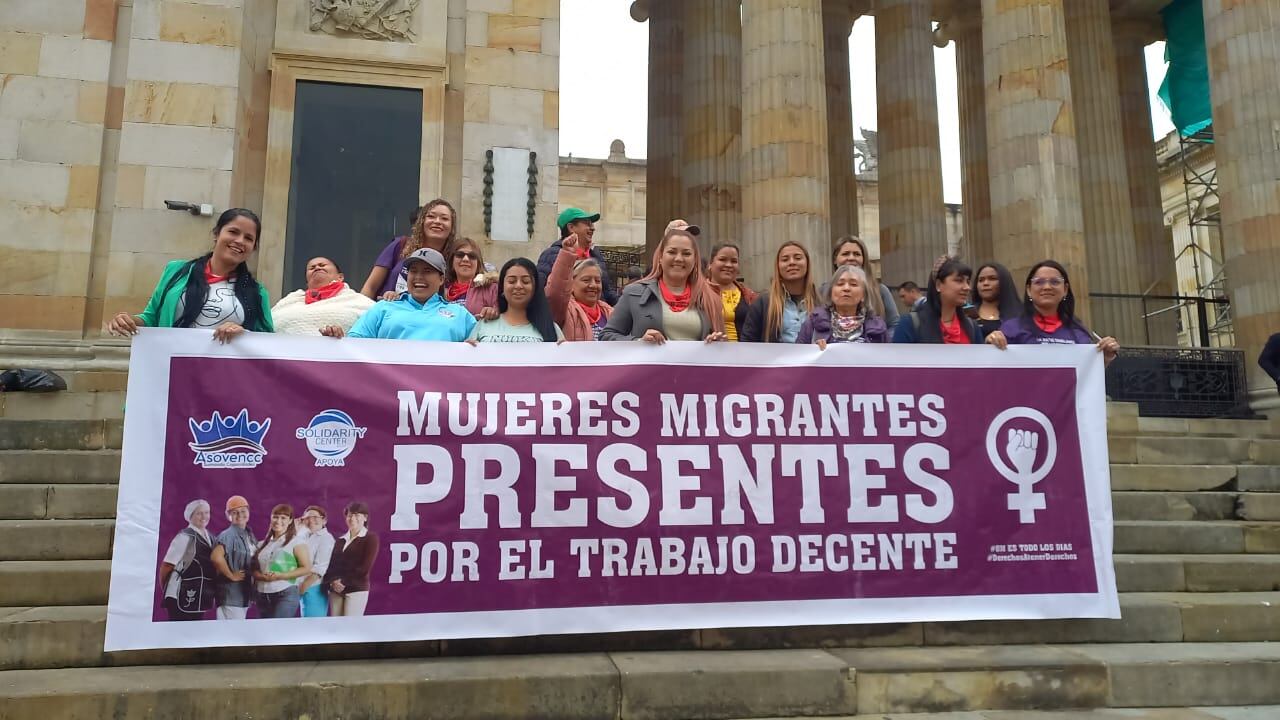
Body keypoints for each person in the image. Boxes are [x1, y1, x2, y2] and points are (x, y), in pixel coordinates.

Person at [108, 209, 272, 343]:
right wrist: (128, 321)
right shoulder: (176, 271)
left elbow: (269, 342)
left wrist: (244, 333)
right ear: (216, 233)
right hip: (174, 369)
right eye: (233, 232)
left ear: (253, 247)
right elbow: (152, 317)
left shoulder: (257, 292)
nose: (239, 241)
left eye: (248, 238)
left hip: (223, 377)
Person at [600, 226, 725, 343]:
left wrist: (717, 343)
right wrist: (638, 342)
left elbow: (722, 346)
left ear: (695, 260)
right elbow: (607, 336)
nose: (679, 258)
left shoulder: (710, 298)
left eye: (686, 253)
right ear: (660, 257)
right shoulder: (633, 293)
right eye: (672, 252)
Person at [988, 260, 1120, 364]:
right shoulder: (1011, 329)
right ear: (1029, 289)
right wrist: (989, 346)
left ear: (1065, 289)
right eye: (1039, 282)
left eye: (1055, 282)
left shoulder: (1079, 334)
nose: (1047, 287)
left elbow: (1088, 377)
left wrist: (1105, 358)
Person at [346, 248, 477, 341]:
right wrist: (335, 339)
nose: (419, 277)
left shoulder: (460, 314)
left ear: (441, 279)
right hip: (390, 381)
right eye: (413, 271)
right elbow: (354, 343)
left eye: (427, 271)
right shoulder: (383, 308)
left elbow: (482, 346)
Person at [361, 199, 457, 300]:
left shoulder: (455, 258)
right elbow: (370, 287)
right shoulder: (401, 245)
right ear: (422, 221)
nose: (437, 221)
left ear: (452, 227)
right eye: (431, 216)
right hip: (387, 311)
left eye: (444, 218)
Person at [270, 256, 374, 337]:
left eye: (322, 265)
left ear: (340, 277)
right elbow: (268, 323)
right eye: (312, 268)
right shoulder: (291, 300)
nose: (317, 268)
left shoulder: (357, 300)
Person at [535, 207, 619, 305]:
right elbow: (540, 290)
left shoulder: (596, 257)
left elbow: (608, 292)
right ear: (571, 227)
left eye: (592, 224)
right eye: (587, 223)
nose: (592, 228)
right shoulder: (552, 254)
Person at [468, 258, 564, 343]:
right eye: (512, 281)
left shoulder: (551, 328)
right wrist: (468, 350)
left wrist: (564, 351)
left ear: (535, 288)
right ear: (502, 288)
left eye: (525, 281)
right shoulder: (484, 324)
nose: (518, 286)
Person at [742, 241, 819, 343]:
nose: (792, 262)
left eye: (798, 258)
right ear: (778, 266)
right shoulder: (763, 302)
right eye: (785, 259)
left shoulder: (821, 302)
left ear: (807, 263)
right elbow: (747, 341)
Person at [893, 258, 983, 344]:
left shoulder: (972, 327)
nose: (967, 287)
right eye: (959, 280)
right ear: (938, 285)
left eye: (967, 281)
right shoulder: (909, 324)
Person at [797, 265, 889, 346]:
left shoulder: (878, 328)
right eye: (840, 284)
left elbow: (887, 360)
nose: (846, 288)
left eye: (853, 284)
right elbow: (798, 357)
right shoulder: (813, 323)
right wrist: (812, 351)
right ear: (831, 292)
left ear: (864, 295)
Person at [546, 232, 614, 341]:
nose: (593, 285)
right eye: (586, 280)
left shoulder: (610, 312)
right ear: (571, 283)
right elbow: (555, 292)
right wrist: (567, 254)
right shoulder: (565, 310)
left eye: (597, 281)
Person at [158, 499, 216, 621]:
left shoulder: (211, 537)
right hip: (178, 594)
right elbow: (167, 566)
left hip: (200, 595)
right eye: (199, 513)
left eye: (207, 512)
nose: (204, 516)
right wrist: (167, 590)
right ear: (190, 516)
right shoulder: (184, 537)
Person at [253, 504, 312, 619]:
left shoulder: (297, 542)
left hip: (285, 593)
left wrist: (281, 576)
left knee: (278, 632)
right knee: (265, 633)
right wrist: (261, 576)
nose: (278, 520)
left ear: (290, 521)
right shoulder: (261, 544)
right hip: (262, 594)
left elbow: (306, 568)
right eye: (275, 517)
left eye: (283, 518)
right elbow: (254, 569)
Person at [826, 236, 899, 330]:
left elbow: (894, 324)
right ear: (835, 260)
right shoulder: (823, 290)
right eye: (845, 254)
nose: (851, 258)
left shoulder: (880, 290)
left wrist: (882, 342)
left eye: (856, 254)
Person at [325, 501, 379, 617]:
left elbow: (365, 567)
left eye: (357, 515)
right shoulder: (340, 540)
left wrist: (343, 582)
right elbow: (332, 565)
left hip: (356, 589)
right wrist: (333, 582)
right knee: (336, 627)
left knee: (350, 627)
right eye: (349, 515)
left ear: (365, 518)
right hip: (336, 591)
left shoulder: (370, 538)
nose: (352, 518)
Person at [210, 495, 256, 620]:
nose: (240, 514)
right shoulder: (228, 535)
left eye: (243, 511)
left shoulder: (249, 536)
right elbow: (216, 557)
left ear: (248, 512)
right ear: (228, 516)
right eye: (234, 512)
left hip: (243, 596)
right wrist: (231, 575)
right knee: (230, 635)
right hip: (231, 596)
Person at [706, 242, 757, 342]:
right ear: (710, 264)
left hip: (745, 354)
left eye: (734, 261)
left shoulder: (750, 296)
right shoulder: (698, 294)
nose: (729, 265)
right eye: (722, 259)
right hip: (710, 354)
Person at [444, 238, 498, 320]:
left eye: (472, 256)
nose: (465, 259)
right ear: (452, 261)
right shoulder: (440, 290)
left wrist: (493, 312)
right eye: (460, 255)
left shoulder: (491, 289)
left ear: (478, 264)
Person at [298, 505, 335, 619]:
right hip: (300, 587)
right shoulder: (303, 536)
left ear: (324, 520)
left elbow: (319, 569)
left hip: (313, 587)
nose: (311, 521)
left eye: (315, 517)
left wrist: (303, 588)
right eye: (307, 518)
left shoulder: (326, 538)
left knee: (312, 628)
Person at [971, 262, 1022, 339]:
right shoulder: (966, 312)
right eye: (981, 280)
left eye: (992, 278)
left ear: (1004, 282)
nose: (985, 283)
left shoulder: (1022, 313)